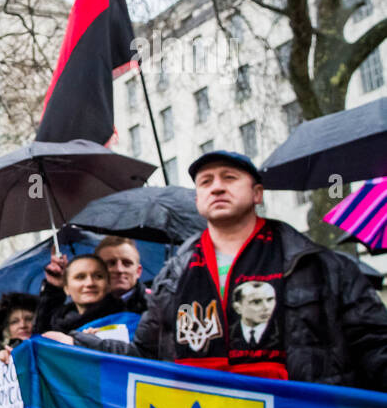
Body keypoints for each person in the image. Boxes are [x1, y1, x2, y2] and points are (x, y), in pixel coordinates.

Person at [60, 151, 387, 390]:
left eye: (229, 178)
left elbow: (374, 346)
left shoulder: (316, 265)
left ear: (257, 193)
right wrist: (70, 343)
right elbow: (146, 354)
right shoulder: (174, 277)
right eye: (206, 182)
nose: (217, 187)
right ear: (199, 198)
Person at [95, 235, 148, 312]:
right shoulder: (81, 308)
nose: (119, 270)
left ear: (138, 271)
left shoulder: (158, 309)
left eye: (127, 263)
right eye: (111, 263)